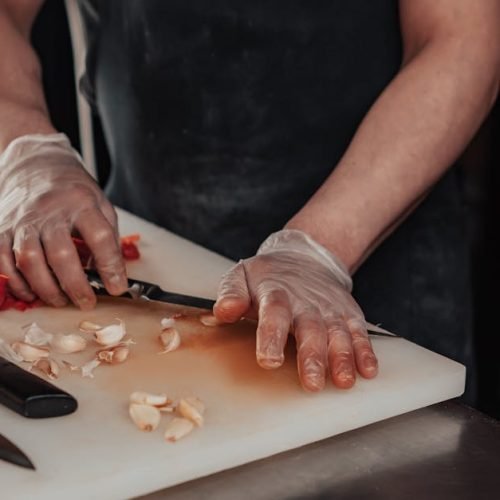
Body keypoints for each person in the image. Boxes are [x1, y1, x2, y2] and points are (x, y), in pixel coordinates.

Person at [0, 1, 498, 399]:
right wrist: (26, 148)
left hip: (379, 256)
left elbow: (462, 42)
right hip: (149, 259)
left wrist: (318, 247)